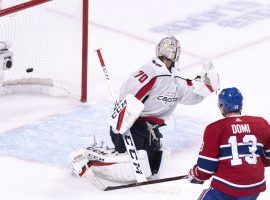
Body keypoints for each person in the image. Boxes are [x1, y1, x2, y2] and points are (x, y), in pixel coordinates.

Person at [69, 36, 220, 183]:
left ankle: (110, 155)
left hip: (150, 131)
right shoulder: (151, 71)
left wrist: (205, 87)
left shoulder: (176, 77)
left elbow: (190, 97)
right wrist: (123, 118)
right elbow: (127, 92)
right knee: (135, 164)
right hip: (130, 125)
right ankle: (85, 159)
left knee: (155, 166)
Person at [188, 87, 270, 200]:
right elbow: (268, 158)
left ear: (222, 107)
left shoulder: (215, 128)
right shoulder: (261, 124)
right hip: (254, 186)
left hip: (226, 187)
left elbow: (206, 169)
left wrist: (195, 173)